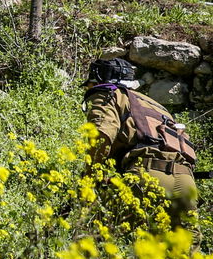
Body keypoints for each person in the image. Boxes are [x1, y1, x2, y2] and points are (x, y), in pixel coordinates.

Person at [81, 58, 198, 228]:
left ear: (96, 81)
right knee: (183, 251)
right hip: (186, 182)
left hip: (146, 177)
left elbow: (101, 134)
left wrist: (90, 178)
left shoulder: (109, 93)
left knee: (104, 237)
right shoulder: (157, 107)